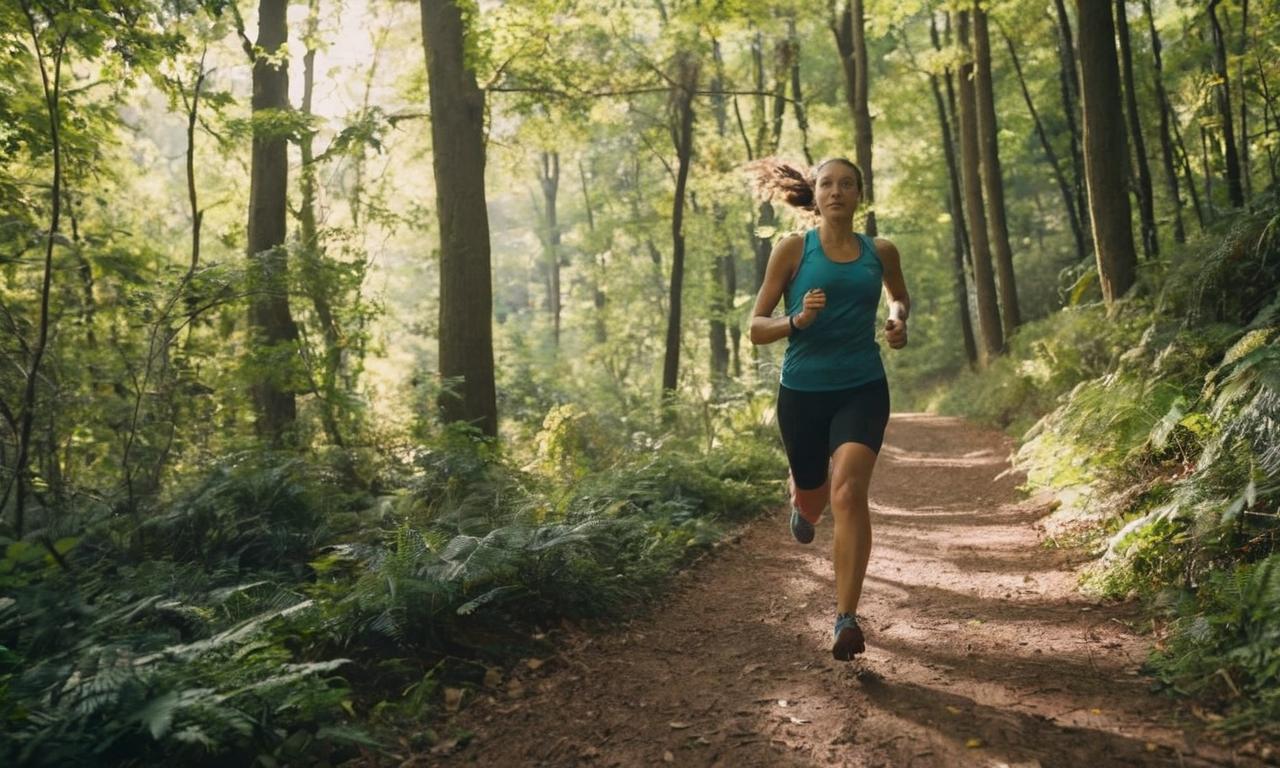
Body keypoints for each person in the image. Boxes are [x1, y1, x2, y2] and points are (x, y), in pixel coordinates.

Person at [747, 157, 909, 661]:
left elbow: (899, 300)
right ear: (814, 195)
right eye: (827, 184)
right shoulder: (793, 250)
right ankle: (800, 497)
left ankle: (844, 618)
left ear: (860, 194)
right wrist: (796, 320)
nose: (836, 192)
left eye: (847, 184)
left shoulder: (879, 252)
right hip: (802, 392)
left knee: (850, 489)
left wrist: (897, 322)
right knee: (817, 498)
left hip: (862, 386)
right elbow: (755, 328)